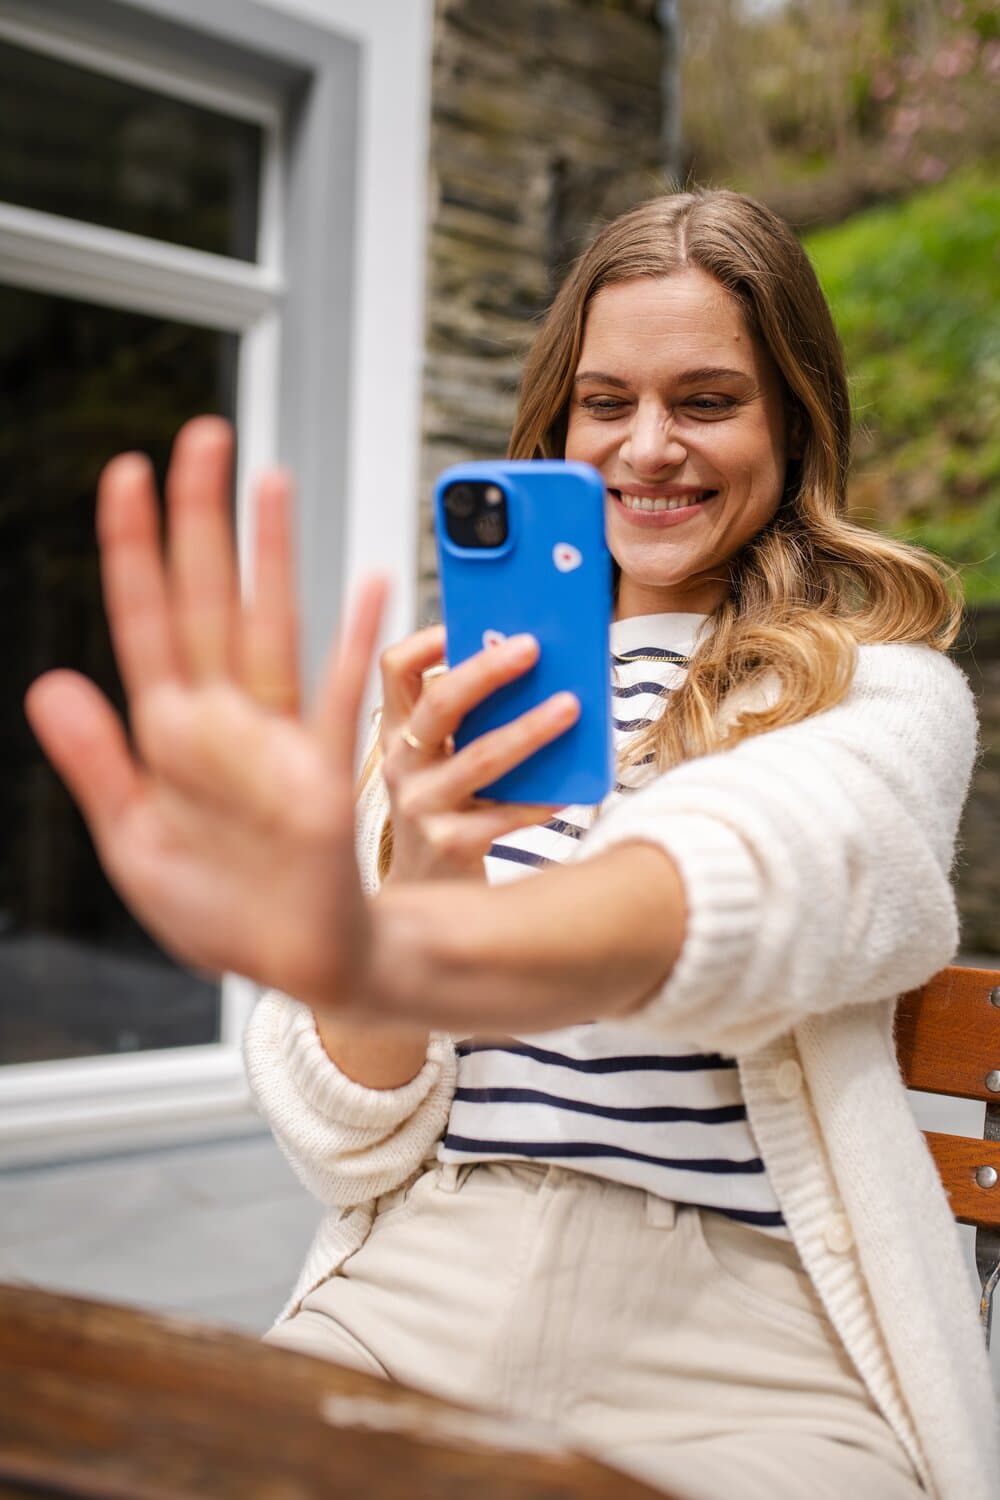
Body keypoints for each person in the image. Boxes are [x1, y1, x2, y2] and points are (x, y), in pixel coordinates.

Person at [25, 188, 996, 1500]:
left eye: (708, 400)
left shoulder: (875, 693)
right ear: (555, 424)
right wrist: (401, 889)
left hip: (748, 1341)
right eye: (607, 402)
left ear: (794, 420)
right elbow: (347, 1147)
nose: (647, 447)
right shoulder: (452, 706)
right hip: (425, 1282)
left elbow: (771, 873)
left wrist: (419, 941)